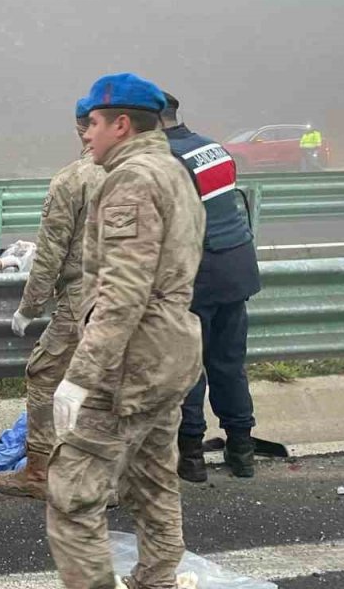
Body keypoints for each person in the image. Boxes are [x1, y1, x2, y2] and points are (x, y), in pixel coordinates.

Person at [45, 73, 204, 589]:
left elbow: (123, 292)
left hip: (127, 366)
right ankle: (158, 579)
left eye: (91, 124)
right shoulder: (173, 170)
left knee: (73, 497)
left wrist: (82, 376)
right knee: (155, 478)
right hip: (171, 355)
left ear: (120, 124)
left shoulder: (130, 180)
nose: (85, 134)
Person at [0, 98, 105, 500]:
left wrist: (29, 306)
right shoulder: (149, 175)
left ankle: (39, 470)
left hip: (84, 295)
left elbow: (52, 253)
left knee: (44, 375)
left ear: (83, 129)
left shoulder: (74, 179)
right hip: (138, 295)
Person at [162, 92, 262, 482]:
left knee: (189, 368)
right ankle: (242, 450)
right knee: (229, 363)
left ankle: (191, 458)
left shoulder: (167, 161)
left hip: (197, 275)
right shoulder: (211, 148)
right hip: (236, 268)